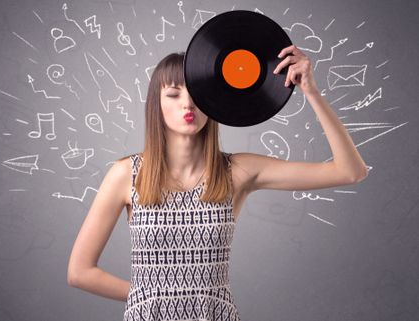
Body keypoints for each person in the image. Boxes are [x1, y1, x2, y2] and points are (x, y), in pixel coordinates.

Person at [67, 45, 368, 320]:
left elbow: (350, 171)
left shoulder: (238, 170)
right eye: (173, 94)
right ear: (156, 105)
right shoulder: (127, 174)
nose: (188, 104)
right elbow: (79, 272)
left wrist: (311, 92)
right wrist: (148, 298)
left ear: (214, 102)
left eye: (197, 95)